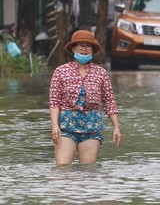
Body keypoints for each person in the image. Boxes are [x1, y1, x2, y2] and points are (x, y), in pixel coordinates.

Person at [49, 30, 121, 165]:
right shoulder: (61, 71)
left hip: (91, 126)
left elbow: (109, 102)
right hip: (66, 126)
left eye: (88, 46)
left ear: (92, 50)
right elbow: (54, 102)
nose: (84, 49)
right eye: (80, 45)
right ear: (73, 48)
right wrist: (54, 125)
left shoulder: (101, 73)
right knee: (63, 166)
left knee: (88, 169)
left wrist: (116, 127)